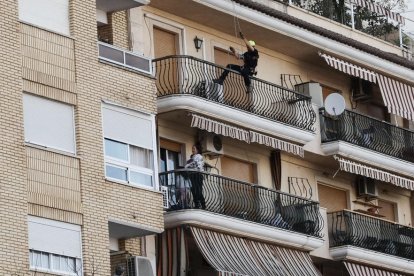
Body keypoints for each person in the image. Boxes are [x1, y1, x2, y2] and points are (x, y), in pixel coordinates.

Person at [185, 144, 206, 209]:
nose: (192, 150)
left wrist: (188, 165)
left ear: (197, 149)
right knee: (193, 190)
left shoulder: (199, 156)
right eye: (192, 148)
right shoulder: (192, 157)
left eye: (194, 148)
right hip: (193, 175)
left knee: (198, 190)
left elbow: (195, 164)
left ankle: (203, 205)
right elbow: (189, 164)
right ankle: (197, 204)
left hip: (198, 175)